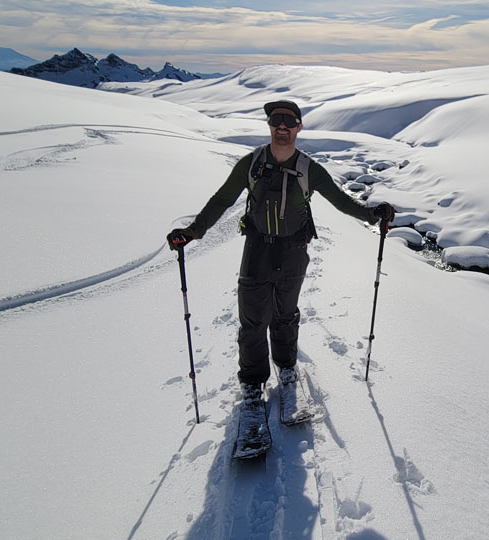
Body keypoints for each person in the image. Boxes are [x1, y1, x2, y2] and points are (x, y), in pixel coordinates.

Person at [167, 99, 394, 404]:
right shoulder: (251, 164)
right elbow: (222, 199)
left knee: (285, 315)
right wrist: (194, 231)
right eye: (276, 120)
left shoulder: (308, 168)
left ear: (299, 126)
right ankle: (252, 381)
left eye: (289, 120)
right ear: (270, 125)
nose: (282, 126)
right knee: (252, 321)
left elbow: (341, 201)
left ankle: (286, 366)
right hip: (257, 248)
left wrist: (371, 214)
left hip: (293, 250)